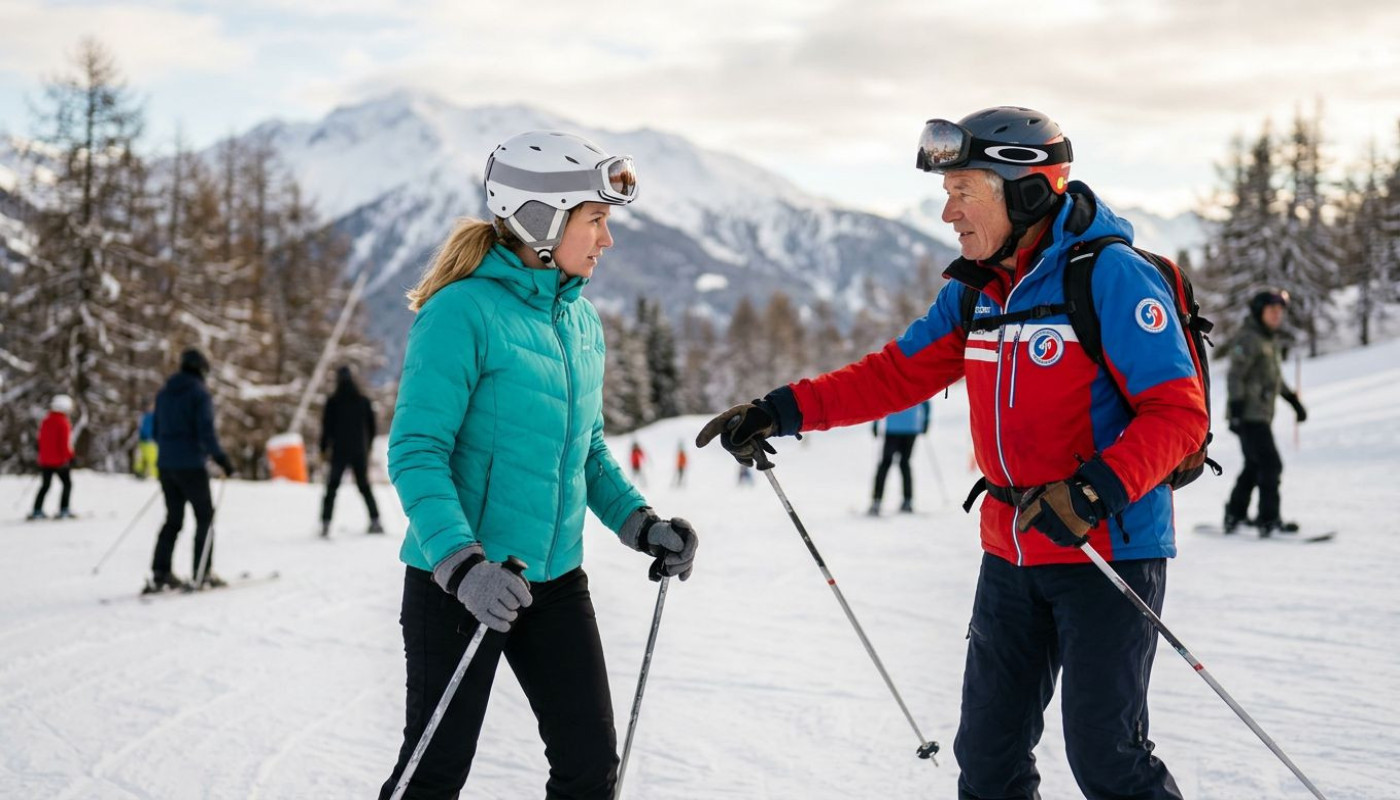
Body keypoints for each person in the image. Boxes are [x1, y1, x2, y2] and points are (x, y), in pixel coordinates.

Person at [698, 107, 1205, 800]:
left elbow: (1178, 413)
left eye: (964, 191)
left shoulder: (1108, 276)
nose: (949, 212)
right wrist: (779, 410)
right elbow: (893, 374)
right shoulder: (976, 292)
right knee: (988, 758)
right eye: (946, 193)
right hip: (1012, 549)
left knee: (1107, 757)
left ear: (1028, 190)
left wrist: (1093, 492)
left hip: (1105, 548)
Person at [380, 130, 699, 800]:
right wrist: (463, 566)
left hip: (553, 583)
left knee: (590, 769)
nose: (608, 239)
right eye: (596, 220)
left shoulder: (580, 323)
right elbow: (416, 451)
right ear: (542, 221)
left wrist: (642, 525)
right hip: (459, 584)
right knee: (432, 775)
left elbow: (587, 450)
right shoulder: (461, 312)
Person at [146, 348, 235, 592]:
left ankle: (160, 572)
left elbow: (156, 430)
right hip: (191, 466)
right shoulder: (199, 393)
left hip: (166, 465)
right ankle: (202, 572)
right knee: (204, 517)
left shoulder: (164, 392)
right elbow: (205, 430)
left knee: (173, 519)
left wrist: (169, 452)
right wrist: (221, 458)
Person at [1224, 288, 1307, 536]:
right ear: (1259, 311)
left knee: (1253, 465)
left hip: (1260, 414)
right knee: (1271, 465)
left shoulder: (1268, 339)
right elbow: (1235, 375)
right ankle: (1269, 520)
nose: (1277, 315)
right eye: (1272, 310)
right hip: (1248, 415)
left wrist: (1293, 401)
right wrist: (1236, 409)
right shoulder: (1249, 338)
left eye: (1280, 311)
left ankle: (1235, 515)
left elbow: (1274, 379)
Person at [319, 365, 382, 537]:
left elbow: (326, 428)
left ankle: (325, 523)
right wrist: (368, 446)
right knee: (364, 487)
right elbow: (372, 427)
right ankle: (375, 520)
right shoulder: (363, 400)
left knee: (332, 488)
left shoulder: (333, 402)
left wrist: (323, 449)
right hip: (359, 451)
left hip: (339, 451)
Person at [868, 400, 930, 515]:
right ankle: (907, 501)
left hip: (894, 428)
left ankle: (877, 501)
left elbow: (879, 400)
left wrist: (875, 423)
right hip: (910, 427)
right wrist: (926, 421)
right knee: (904, 464)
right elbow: (926, 402)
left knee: (886, 464)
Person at [31, 394, 76, 519]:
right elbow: (64, 443)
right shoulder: (63, 422)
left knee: (45, 486)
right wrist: (70, 457)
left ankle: (37, 510)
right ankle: (64, 509)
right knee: (67, 484)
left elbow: (40, 441)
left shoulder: (46, 421)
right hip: (59, 461)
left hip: (45, 460)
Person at [134, 401, 158, 480]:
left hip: (144, 440)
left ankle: (140, 471)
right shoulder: (150, 416)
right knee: (151, 458)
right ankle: (153, 475)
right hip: (148, 440)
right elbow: (147, 428)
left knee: (143, 457)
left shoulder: (145, 416)